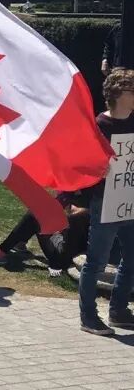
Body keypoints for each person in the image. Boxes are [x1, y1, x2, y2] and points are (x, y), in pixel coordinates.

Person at [78, 68, 134, 335]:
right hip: (105, 202)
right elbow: (83, 162)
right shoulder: (100, 126)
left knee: (131, 258)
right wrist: (98, 170)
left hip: (129, 200)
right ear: (119, 93)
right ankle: (88, 316)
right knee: (96, 262)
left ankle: (119, 311)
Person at [0, 192, 91, 277]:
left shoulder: (82, 210)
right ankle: (19, 242)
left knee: (34, 215)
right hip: (67, 243)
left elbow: (75, 220)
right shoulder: (87, 199)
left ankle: (0, 253)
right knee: (39, 212)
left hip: (62, 256)